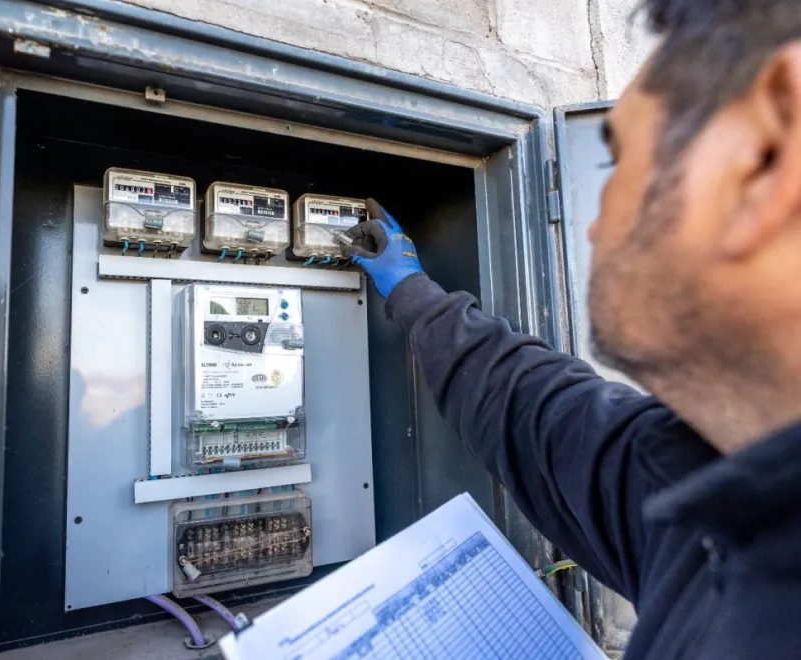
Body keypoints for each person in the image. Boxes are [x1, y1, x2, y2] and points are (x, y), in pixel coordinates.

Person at [343, 0, 801, 657]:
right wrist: (410, 290)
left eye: (621, 166)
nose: (592, 225)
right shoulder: (699, 493)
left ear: (763, 160)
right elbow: (533, 407)